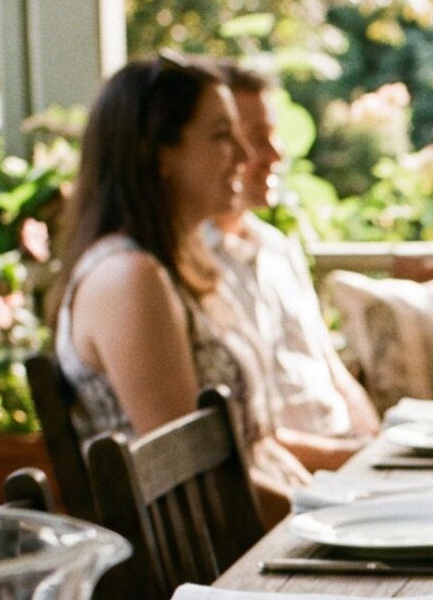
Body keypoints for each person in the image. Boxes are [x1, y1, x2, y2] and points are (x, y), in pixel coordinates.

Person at [48, 54, 308, 526]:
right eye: (221, 135)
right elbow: (195, 483)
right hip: (208, 567)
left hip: (265, 532)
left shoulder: (182, 265)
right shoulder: (129, 279)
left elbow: (253, 449)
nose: (246, 156)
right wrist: (327, 522)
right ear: (159, 153)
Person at [198, 57, 381, 472]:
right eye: (254, 138)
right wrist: (362, 462)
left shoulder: (279, 249)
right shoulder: (190, 269)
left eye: (272, 134)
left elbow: (334, 374)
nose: (274, 153)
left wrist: (377, 447)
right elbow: (247, 440)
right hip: (296, 480)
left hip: (350, 463)